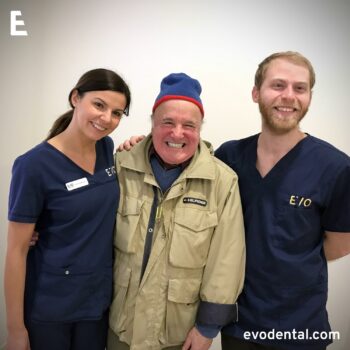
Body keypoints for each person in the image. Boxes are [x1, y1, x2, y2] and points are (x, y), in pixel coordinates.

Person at [215, 51, 350, 350]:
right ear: (256, 93)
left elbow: (340, 244)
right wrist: (139, 146)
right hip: (238, 323)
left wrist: (288, 262)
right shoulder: (230, 156)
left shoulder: (335, 167)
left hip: (299, 328)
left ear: (309, 97)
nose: (289, 96)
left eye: (299, 88)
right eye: (278, 85)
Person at [107, 73, 246, 350]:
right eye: (167, 122)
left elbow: (226, 261)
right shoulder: (120, 168)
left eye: (189, 125)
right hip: (119, 328)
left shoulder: (222, 182)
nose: (177, 133)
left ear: (200, 129)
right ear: (152, 123)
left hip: (178, 337)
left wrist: (207, 328)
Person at [4, 68, 131, 350]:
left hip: (96, 304)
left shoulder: (105, 148)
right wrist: (15, 330)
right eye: (99, 105)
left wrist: (135, 146)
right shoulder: (33, 166)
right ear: (76, 98)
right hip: (51, 308)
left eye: (116, 113)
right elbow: (16, 251)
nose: (106, 118)